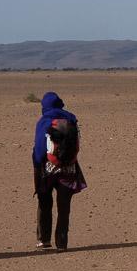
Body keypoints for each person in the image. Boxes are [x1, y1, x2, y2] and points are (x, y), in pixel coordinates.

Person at [32, 91, 86, 251]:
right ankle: (62, 242)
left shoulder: (45, 120)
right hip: (68, 169)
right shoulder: (71, 119)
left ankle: (44, 239)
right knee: (64, 207)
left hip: (47, 170)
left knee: (44, 202)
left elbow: (40, 149)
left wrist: (37, 165)